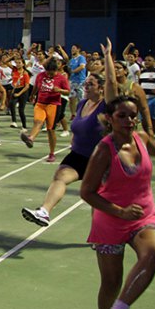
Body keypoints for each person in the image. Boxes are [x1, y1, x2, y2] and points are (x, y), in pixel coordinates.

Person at [79, 94, 155, 309]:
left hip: (143, 216)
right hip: (110, 219)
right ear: (110, 119)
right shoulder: (104, 150)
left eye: (133, 115)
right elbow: (87, 192)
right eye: (122, 116)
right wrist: (119, 211)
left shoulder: (142, 138)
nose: (130, 120)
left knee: (154, 253)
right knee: (111, 282)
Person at [22, 40, 116, 227]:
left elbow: (112, 82)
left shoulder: (106, 105)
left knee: (95, 197)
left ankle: (101, 233)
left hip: (101, 158)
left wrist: (107, 58)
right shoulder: (82, 104)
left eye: (91, 84)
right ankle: (44, 212)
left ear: (101, 88)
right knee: (60, 177)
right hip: (79, 155)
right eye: (86, 83)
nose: (86, 86)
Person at [20, 58, 70, 162]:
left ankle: (52, 153)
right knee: (38, 121)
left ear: (56, 70)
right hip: (40, 103)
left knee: (50, 130)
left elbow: (68, 92)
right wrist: (32, 95)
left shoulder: (61, 78)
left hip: (54, 105)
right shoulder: (40, 76)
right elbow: (36, 87)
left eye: (52, 73)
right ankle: (31, 139)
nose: (50, 75)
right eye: (48, 72)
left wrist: (59, 90)